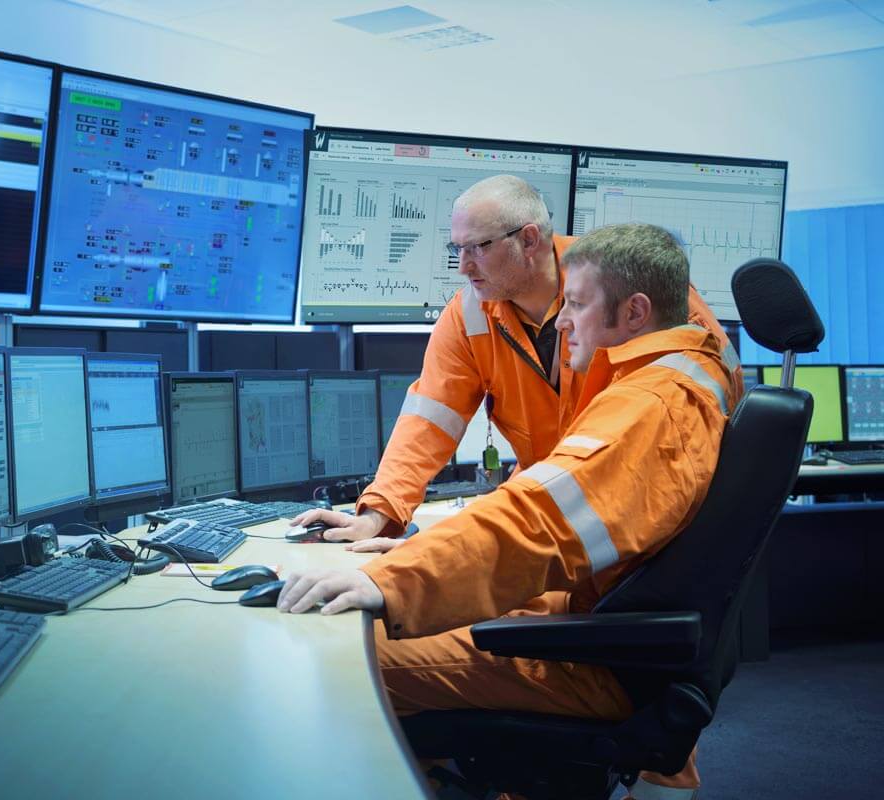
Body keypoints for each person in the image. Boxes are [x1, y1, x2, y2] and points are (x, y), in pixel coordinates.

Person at [279, 223, 731, 800]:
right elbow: (439, 424)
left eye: (577, 305)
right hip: (598, 607)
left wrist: (390, 581)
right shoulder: (669, 369)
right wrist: (400, 529)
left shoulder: (648, 405)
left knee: (345, 658)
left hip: (595, 649)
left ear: (635, 312)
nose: (563, 321)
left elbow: (539, 521)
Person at [292, 175, 741, 547]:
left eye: (478, 247)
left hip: (641, 518)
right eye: (456, 249)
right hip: (552, 509)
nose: (463, 267)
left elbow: (714, 389)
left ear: (529, 239)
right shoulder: (469, 315)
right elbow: (427, 421)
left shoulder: (625, 285)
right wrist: (378, 514)